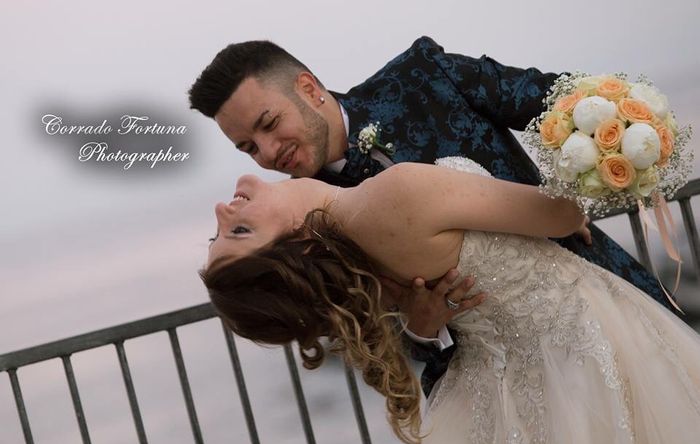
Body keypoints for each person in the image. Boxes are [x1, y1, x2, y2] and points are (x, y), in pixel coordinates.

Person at [188, 37, 675, 396]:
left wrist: (587, 171)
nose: (268, 152)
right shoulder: (301, 233)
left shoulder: (421, 76)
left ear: (308, 88)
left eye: (269, 124)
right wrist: (421, 330)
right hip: (507, 377)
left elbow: (557, 104)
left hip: (596, 290)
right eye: (248, 147)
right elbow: (363, 335)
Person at [201, 157, 700, 444]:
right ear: (300, 249)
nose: (223, 211)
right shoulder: (395, 194)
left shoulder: (356, 261)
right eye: (239, 232)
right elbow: (563, 215)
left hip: (499, 387)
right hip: (585, 341)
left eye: (216, 234)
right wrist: (591, 148)